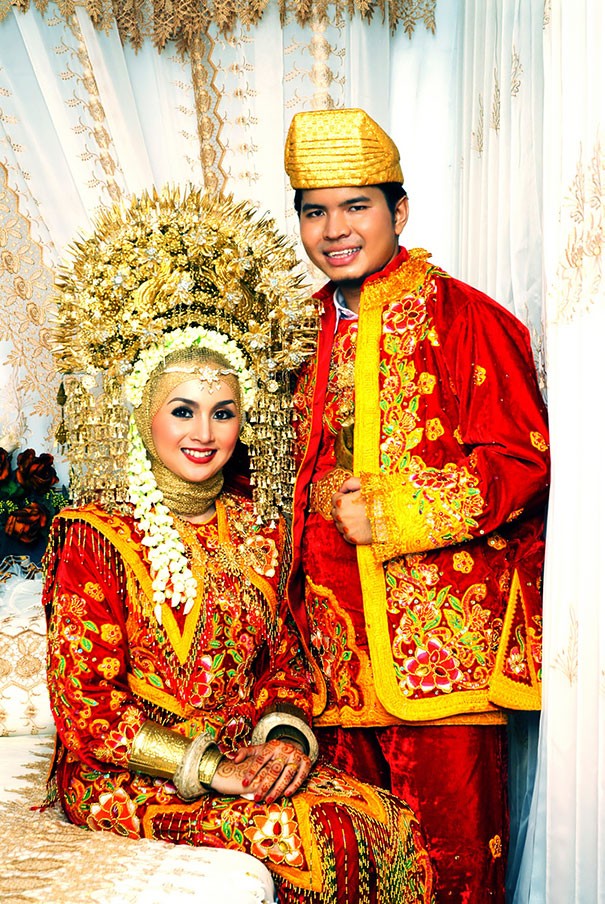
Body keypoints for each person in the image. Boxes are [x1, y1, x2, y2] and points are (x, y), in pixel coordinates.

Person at [43, 187, 434, 904]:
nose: (204, 433)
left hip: (243, 756)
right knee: (314, 838)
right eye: (183, 410)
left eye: (223, 412)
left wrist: (284, 741)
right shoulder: (94, 536)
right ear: (142, 415)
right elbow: (85, 712)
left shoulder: (256, 528)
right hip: (127, 773)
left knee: (387, 820)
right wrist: (210, 768)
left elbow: (287, 663)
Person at [284, 108, 550, 902]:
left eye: (355, 206)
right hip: (325, 663)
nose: (334, 229)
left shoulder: (465, 317)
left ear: (398, 212)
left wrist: (395, 510)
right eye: (314, 210)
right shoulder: (293, 334)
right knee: (343, 872)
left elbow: (521, 462)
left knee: (452, 869)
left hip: (434, 658)